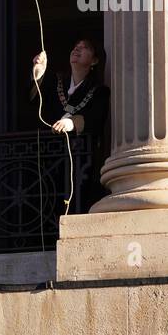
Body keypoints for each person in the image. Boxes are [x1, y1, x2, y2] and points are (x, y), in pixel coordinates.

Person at [31, 37, 110, 209]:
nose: (77, 49)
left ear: (94, 60)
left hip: (81, 165)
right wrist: (38, 76)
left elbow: (96, 119)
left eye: (84, 47)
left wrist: (72, 124)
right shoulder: (55, 83)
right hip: (51, 162)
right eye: (75, 46)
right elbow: (33, 107)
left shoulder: (100, 91)